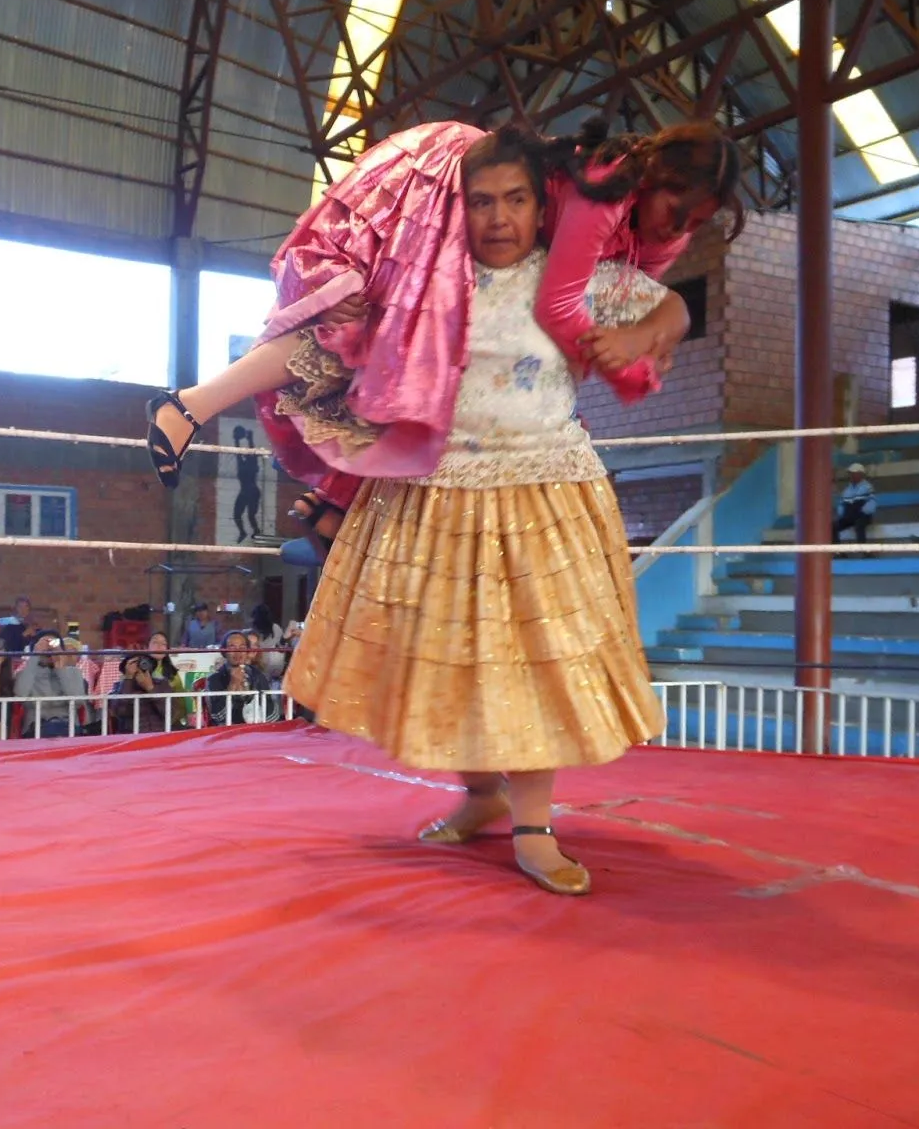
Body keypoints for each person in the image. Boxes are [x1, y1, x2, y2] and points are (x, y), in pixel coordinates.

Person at [282, 131, 676, 896]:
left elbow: (674, 312)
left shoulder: (576, 281)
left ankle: (535, 826)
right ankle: (481, 794)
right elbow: (337, 337)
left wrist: (640, 336)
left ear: (542, 205)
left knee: (528, 663)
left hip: (541, 493)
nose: (498, 218)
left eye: (516, 200)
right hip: (436, 491)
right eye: (482, 202)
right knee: (449, 655)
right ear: (457, 209)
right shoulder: (430, 285)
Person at [143, 118, 736, 544]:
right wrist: (626, 356)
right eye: (675, 206)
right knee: (365, 328)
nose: (681, 227)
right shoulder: (605, 191)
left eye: (698, 220)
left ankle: (334, 497)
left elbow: (628, 302)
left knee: (413, 365)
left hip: (505, 273)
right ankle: (192, 407)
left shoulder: (662, 230)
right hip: (453, 187)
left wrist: (643, 341)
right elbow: (564, 308)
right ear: (654, 175)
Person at [107, 633, 187, 734]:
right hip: (133, 739)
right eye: (134, 663)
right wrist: (128, 680)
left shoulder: (162, 684)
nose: (139, 666)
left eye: (144, 663)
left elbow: (172, 714)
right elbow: (120, 712)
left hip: (161, 737)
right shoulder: (120, 687)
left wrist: (151, 688)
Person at [13, 634, 88, 737]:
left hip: (68, 728)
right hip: (35, 729)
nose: (48, 649)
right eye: (43, 644)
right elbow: (20, 694)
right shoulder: (25, 673)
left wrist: (60, 669)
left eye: (53, 643)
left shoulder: (74, 672)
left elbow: (78, 701)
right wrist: (35, 657)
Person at [203, 631, 273, 725]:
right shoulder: (214, 679)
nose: (238, 652)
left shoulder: (257, 675)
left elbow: (273, 714)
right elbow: (218, 717)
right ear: (223, 652)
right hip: (227, 734)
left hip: (255, 732)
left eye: (242, 647)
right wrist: (232, 686)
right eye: (232, 647)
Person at [232, 425, 264, 541]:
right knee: (236, 515)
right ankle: (243, 532)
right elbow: (237, 453)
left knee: (251, 516)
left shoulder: (253, 464)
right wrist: (236, 440)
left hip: (252, 491)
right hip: (244, 491)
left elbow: (252, 452)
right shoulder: (241, 464)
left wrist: (250, 438)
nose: (244, 455)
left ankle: (256, 531)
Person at [832, 462, 876, 544]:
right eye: (850, 473)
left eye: (853, 473)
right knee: (832, 526)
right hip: (849, 517)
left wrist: (862, 512)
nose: (851, 475)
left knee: (859, 524)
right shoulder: (847, 490)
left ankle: (864, 551)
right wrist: (844, 514)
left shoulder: (867, 487)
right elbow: (841, 504)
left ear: (860, 474)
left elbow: (871, 503)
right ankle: (839, 552)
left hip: (863, 516)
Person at [246, 603, 287, 679]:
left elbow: (280, 647)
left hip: (272, 667)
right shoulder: (251, 631)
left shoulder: (275, 629)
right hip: (257, 665)